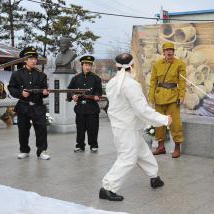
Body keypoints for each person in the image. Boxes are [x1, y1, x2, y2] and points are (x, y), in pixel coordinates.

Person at [99, 53, 172, 201]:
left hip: (123, 125)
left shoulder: (112, 82)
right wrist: (164, 119)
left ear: (117, 66)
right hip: (127, 127)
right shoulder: (131, 85)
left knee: (142, 152)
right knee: (127, 158)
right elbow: (142, 110)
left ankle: (154, 177)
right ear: (132, 66)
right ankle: (107, 187)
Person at [8, 47, 50, 160]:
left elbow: (44, 91)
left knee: (41, 129)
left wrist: (45, 93)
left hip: (38, 106)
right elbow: (11, 88)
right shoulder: (17, 74)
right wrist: (21, 93)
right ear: (25, 60)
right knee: (23, 129)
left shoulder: (42, 75)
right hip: (23, 106)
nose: (33, 61)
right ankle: (24, 150)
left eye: (35, 58)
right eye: (30, 58)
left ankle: (41, 151)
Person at [148, 42, 186, 158]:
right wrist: (151, 95)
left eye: (171, 50)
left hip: (173, 97)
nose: (169, 52)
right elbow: (153, 81)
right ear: (163, 52)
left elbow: (182, 81)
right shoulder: (157, 64)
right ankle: (160, 147)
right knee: (159, 122)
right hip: (159, 96)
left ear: (174, 51)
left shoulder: (180, 64)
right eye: (167, 50)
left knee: (175, 124)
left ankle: (177, 148)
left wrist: (181, 95)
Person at [67, 55, 102, 153]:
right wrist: (72, 96)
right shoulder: (76, 78)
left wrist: (97, 96)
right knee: (80, 129)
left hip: (92, 108)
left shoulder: (96, 78)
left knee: (93, 128)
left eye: (90, 65)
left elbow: (99, 92)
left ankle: (93, 145)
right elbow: (69, 90)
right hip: (80, 108)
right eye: (86, 65)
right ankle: (80, 145)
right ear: (82, 65)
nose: (88, 67)